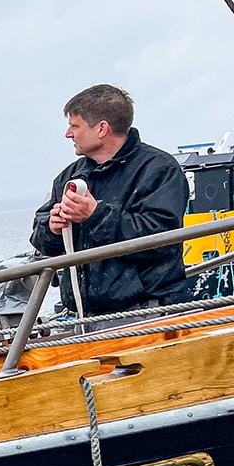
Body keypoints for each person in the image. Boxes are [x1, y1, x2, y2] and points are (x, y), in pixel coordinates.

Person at [30, 83, 190, 318]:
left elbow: (161, 239)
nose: (68, 134)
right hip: (85, 316)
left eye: (75, 126)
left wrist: (96, 215)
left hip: (147, 311)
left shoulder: (159, 170)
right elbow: (43, 241)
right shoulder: (68, 177)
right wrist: (53, 228)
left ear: (102, 128)